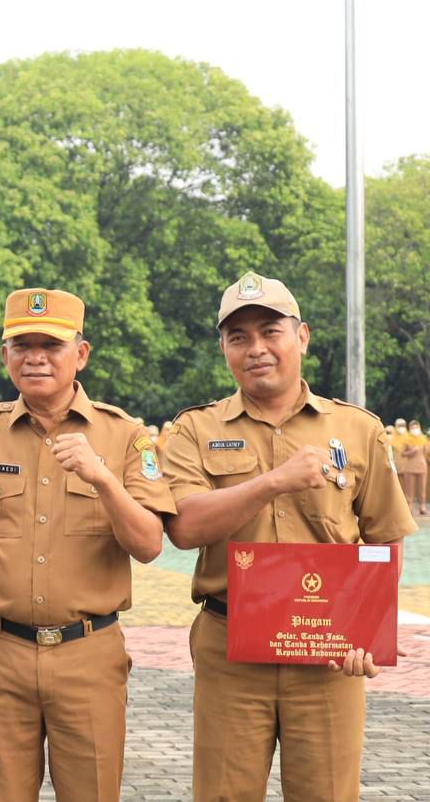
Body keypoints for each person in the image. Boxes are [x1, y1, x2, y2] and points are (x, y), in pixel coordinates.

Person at [162, 271, 417, 801]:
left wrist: (369, 632)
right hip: (229, 645)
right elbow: (185, 527)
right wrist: (273, 482)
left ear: (301, 336)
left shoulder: (357, 430)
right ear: (224, 349)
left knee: (326, 793)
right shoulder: (194, 430)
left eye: (270, 332)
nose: (256, 349)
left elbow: (385, 537)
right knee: (223, 794)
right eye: (239, 337)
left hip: (328, 650)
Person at [0, 288, 173, 801]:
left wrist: (103, 479)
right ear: (5, 356)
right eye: (22, 344)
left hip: (88, 654)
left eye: (51, 344)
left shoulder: (125, 435)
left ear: (80, 354)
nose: (35, 356)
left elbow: (150, 544)